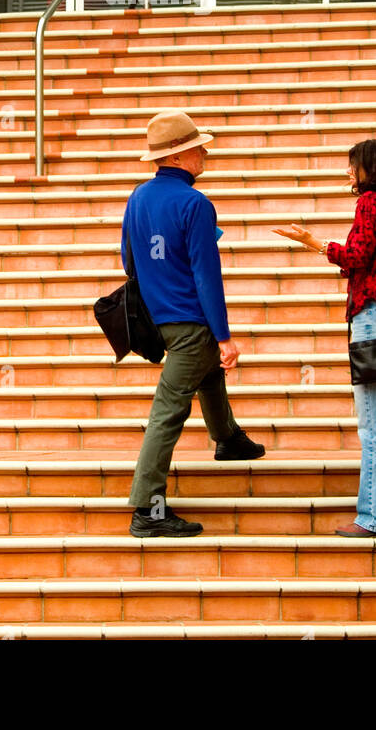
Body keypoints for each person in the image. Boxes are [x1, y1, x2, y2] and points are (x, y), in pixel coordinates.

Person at [124, 109, 265, 538]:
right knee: (168, 410)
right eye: (198, 148)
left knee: (206, 375)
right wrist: (224, 337)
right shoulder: (195, 204)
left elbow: (129, 262)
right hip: (190, 320)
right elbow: (207, 275)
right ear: (179, 156)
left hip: (158, 317)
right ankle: (147, 508)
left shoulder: (137, 198)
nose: (204, 153)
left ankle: (228, 438)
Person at [274, 138, 376, 538]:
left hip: (373, 320)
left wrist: (313, 243)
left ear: (370, 167)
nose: (348, 173)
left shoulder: (370, 203)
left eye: (353, 166)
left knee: (375, 427)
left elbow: (355, 256)